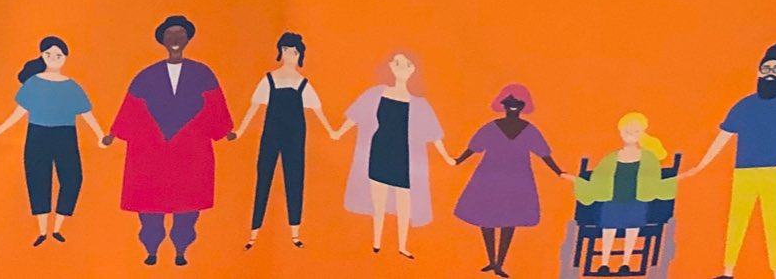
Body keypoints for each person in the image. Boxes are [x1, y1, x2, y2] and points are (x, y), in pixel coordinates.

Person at [108, 15, 235, 266]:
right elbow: (130, 110)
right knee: (149, 209)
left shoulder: (203, 74)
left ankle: (181, 249)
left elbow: (216, 108)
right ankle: (151, 249)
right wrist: (115, 133)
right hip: (151, 151)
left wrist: (224, 130)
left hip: (190, 151)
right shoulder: (146, 76)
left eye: (180, 34)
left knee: (187, 208)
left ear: (188, 38)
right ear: (162, 40)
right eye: (169, 35)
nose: (175, 39)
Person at [684, 42, 776, 279]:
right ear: (758, 72)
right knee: (737, 220)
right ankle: (728, 272)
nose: (771, 73)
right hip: (743, 171)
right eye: (766, 68)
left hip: (775, 171)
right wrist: (701, 165)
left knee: (774, 222)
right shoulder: (743, 106)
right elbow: (722, 139)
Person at [0, 35, 107, 246]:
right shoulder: (33, 83)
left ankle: (57, 227)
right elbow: (19, 112)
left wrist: (100, 135)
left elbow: (87, 114)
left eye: (58, 55)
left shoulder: (72, 86)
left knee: (72, 179)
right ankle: (42, 230)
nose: (53, 58)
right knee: (38, 180)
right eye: (48, 54)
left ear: (65, 58)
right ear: (42, 55)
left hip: (66, 135)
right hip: (37, 134)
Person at [336, 50, 457, 258]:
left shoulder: (418, 103)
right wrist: (338, 132)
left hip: (404, 157)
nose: (404, 66)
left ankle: (402, 246)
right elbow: (356, 114)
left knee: (404, 203)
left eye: (408, 64)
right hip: (380, 150)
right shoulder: (376, 93)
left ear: (413, 70)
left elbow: (434, 134)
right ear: (390, 66)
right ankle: (376, 242)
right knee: (379, 202)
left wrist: (447, 157)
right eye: (399, 62)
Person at [230, 32, 343, 250]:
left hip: (295, 137)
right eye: (284, 50)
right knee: (263, 178)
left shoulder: (303, 84)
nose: (288, 55)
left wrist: (331, 131)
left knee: (295, 179)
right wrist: (240, 131)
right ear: (279, 52)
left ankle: (295, 233)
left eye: (292, 52)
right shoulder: (269, 79)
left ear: (299, 55)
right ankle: (254, 232)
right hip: (270, 135)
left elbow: (318, 110)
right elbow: (254, 107)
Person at [452, 84, 565, 277]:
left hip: (517, 181)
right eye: (509, 102)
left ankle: (499, 264)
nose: (513, 106)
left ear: (524, 106)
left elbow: (544, 154)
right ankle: (491, 261)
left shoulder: (530, 130)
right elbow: (473, 148)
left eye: (517, 103)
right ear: (502, 104)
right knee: (485, 219)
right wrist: (457, 161)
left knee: (509, 221)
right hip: (489, 178)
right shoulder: (490, 127)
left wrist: (559, 172)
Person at [574, 111, 676, 277]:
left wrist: (679, 178)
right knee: (608, 230)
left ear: (642, 133)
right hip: (612, 202)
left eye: (636, 131)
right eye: (627, 131)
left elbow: (655, 181)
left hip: (636, 202)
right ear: (620, 132)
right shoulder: (611, 157)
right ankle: (604, 264)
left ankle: (626, 263)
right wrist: (577, 181)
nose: (630, 135)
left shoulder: (648, 157)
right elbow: (597, 180)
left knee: (632, 230)